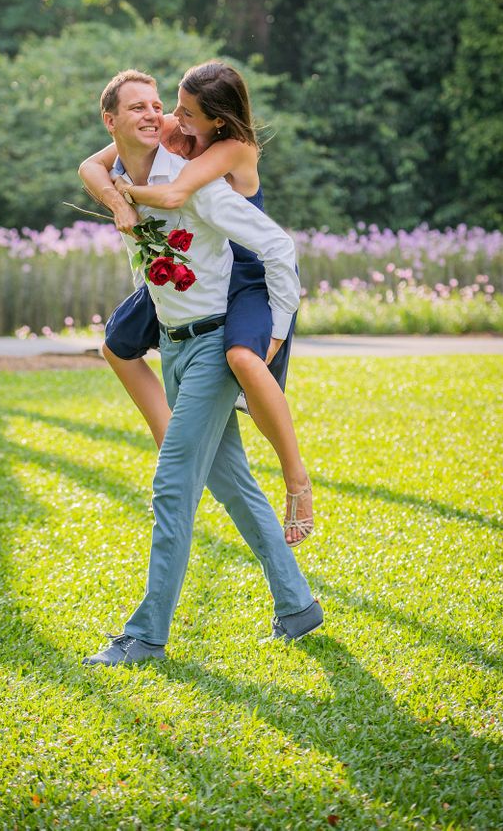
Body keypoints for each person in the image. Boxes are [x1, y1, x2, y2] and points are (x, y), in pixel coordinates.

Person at [81, 70, 323, 666]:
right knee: (234, 486)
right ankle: (297, 605)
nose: (153, 113)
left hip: (217, 347)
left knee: (172, 486)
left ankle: (146, 635)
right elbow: (109, 196)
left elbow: (277, 247)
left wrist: (275, 328)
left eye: (157, 105)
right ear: (111, 123)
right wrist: (117, 199)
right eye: (136, 107)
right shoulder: (120, 179)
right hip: (174, 347)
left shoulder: (196, 185)